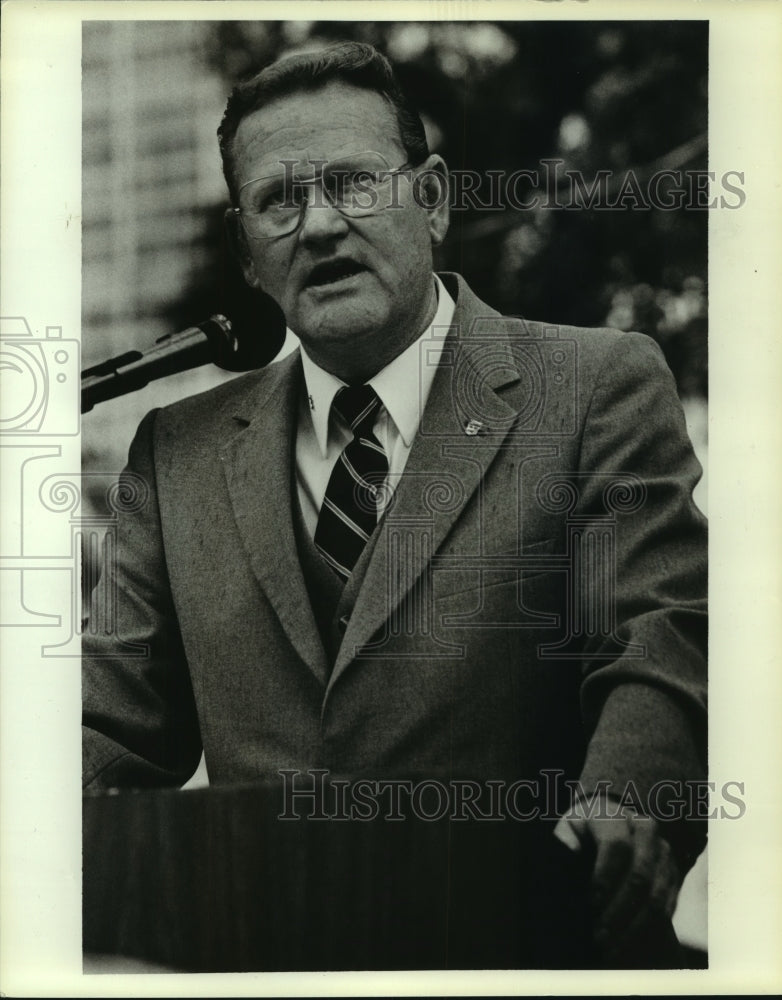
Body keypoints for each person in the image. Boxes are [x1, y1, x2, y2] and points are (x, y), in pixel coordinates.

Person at [82, 42, 707, 968]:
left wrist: (629, 800)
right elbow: (103, 732)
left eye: (354, 183)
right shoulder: (175, 453)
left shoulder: (593, 386)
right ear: (247, 253)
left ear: (437, 199)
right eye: (278, 200)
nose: (321, 225)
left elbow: (660, 634)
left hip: (525, 951)